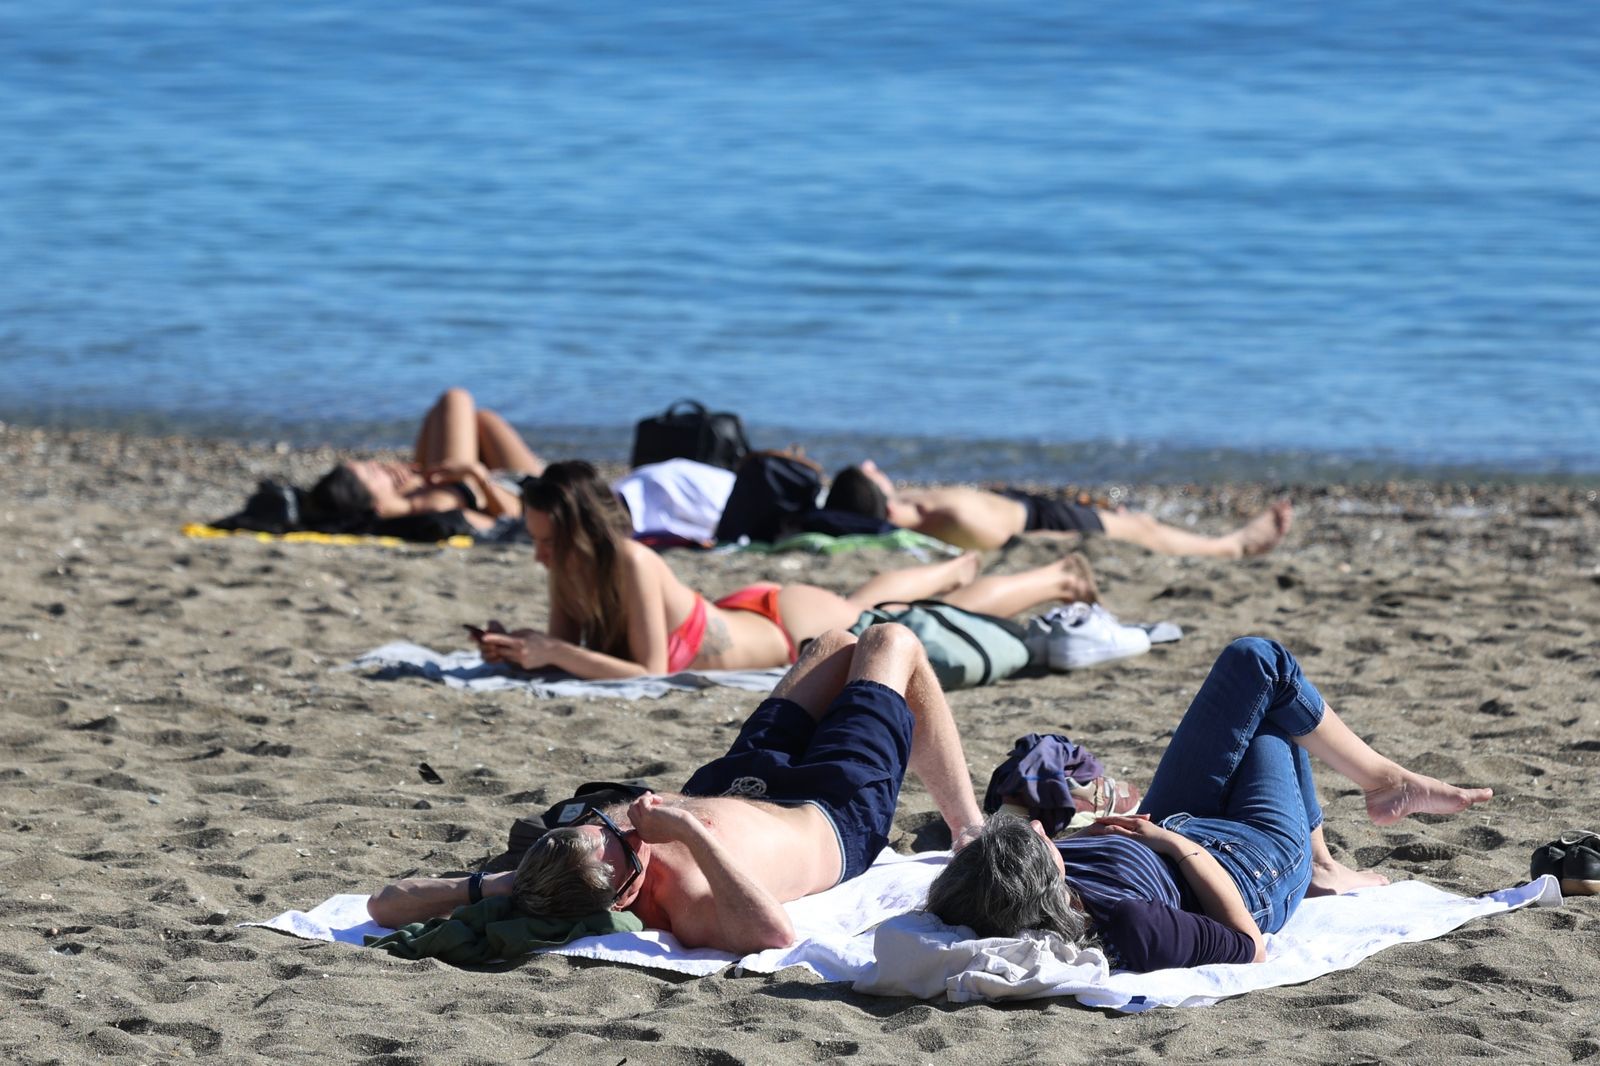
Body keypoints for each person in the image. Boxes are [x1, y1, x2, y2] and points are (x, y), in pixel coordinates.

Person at [367, 624, 986, 953]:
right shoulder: (689, 897)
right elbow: (773, 936)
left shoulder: (549, 867)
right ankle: (968, 825)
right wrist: (688, 829)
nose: (619, 819)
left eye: (597, 823)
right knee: (889, 642)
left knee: (833, 645)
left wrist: (495, 883)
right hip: (830, 808)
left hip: (741, 776)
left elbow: (383, 906)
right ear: (627, 884)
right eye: (618, 834)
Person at [923, 637, 1493, 972]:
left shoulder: (979, 892)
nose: (1048, 836)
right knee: (1270, 698)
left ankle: (1332, 852)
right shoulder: (1132, 924)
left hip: (1165, 819)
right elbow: (1248, 947)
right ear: (1046, 874)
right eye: (1043, 844)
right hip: (1250, 865)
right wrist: (1173, 843)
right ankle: (1372, 798)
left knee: (1253, 667)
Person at [473, 460, 1101, 679]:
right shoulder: (568, 569)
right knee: (871, 601)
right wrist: (526, 650)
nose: (540, 555)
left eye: (549, 541)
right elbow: (577, 653)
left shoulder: (634, 560)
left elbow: (649, 672)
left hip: (782, 626)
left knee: (905, 618)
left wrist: (552, 648)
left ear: (582, 536)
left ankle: (1050, 577)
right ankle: (955, 570)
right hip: (745, 611)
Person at [826, 460, 1293, 558]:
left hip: (1031, 507)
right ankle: (1231, 547)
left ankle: (1230, 543)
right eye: (870, 472)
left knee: (1139, 522)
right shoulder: (946, 519)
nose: (874, 465)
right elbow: (1018, 539)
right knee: (1143, 528)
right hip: (1047, 520)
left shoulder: (910, 508)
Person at [308, 387, 545, 538]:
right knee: (459, 400)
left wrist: (413, 477)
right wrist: (478, 475)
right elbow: (510, 521)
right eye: (372, 473)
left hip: (476, 480)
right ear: (375, 503)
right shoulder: (435, 512)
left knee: (459, 412)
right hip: (522, 489)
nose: (378, 466)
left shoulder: (398, 502)